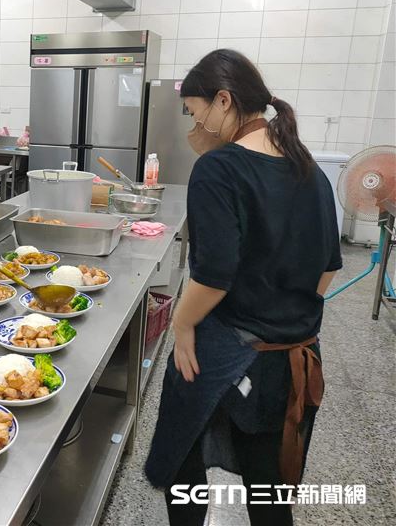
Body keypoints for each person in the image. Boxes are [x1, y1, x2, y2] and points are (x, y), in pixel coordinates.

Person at [144, 49, 342, 526]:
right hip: (290, 361)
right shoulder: (308, 168)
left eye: (194, 112)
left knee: (182, 462)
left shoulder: (219, 168)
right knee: (269, 490)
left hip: (226, 351)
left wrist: (183, 325)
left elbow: (213, 277)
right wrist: (280, 309)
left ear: (223, 101)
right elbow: (328, 269)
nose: (194, 124)